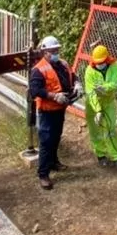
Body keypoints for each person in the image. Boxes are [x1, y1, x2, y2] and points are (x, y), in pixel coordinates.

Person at [29, 35, 77, 190]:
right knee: (46, 141)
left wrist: (77, 84)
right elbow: (35, 90)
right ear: (45, 52)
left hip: (60, 109)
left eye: (57, 49)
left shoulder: (62, 64)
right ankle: (43, 174)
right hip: (47, 112)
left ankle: (54, 162)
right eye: (53, 50)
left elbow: (72, 75)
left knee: (56, 137)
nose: (56, 52)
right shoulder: (38, 70)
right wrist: (54, 96)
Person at [84, 43, 117, 170]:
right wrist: (97, 110)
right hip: (93, 104)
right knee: (95, 130)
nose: (99, 64)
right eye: (97, 62)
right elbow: (90, 92)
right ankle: (101, 155)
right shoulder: (89, 71)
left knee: (111, 129)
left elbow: (116, 82)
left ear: (107, 59)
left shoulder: (114, 67)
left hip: (108, 102)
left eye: (101, 61)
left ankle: (116, 157)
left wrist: (105, 88)